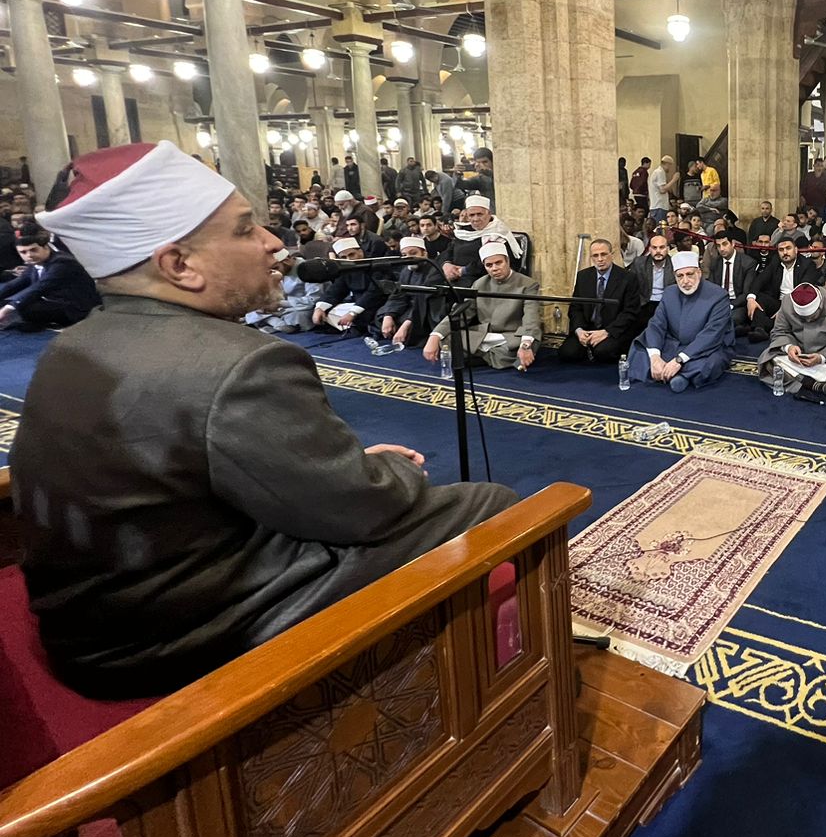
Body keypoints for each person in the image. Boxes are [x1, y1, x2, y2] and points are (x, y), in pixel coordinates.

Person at [11, 140, 513, 695]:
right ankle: (496, 691)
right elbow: (364, 511)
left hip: (95, 627)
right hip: (177, 639)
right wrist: (389, 473)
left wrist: (328, 469)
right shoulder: (242, 363)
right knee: (490, 504)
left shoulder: (71, 344)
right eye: (245, 229)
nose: (273, 242)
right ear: (179, 265)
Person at [422, 242, 540, 371]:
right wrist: (434, 336)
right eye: (489, 265)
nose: (494, 268)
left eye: (498, 263)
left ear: (507, 261)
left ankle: (480, 355)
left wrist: (525, 345)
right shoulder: (479, 284)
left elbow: (531, 318)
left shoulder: (528, 284)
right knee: (446, 338)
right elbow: (462, 313)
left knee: (528, 342)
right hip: (484, 336)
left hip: (510, 337)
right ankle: (494, 356)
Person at [626, 250, 734, 391]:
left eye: (690, 274)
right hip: (674, 343)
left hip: (705, 348)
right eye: (680, 276)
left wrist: (679, 360)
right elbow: (657, 324)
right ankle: (675, 373)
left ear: (699, 273)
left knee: (712, 362)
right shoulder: (669, 292)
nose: (685, 281)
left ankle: (676, 374)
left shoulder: (718, 296)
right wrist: (655, 357)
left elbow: (712, 335)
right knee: (640, 347)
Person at [759, 283, 826, 398]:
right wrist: (788, 347)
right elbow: (779, 331)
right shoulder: (787, 301)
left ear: (820, 305)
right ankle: (813, 384)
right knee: (769, 359)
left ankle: (800, 381)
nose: (808, 320)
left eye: (812, 316)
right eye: (803, 318)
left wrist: (821, 357)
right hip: (798, 358)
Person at [0, 224, 100, 329]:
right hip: (54, 299)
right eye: (23, 252)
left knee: (26, 308)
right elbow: (15, 284)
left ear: (45, 247)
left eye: (33, 250)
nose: (29, 255)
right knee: (9, 302)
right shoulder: (36, 261)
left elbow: (39, 288)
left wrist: (5, 310)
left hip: (76, 306)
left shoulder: (62, 263)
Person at [559, 237, 641, 364]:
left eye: (603, 254)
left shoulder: (628, 278)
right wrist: (579, 331)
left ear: (611, 255)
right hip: (587, 328)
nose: (600, 259)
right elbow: (575, 308)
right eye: (595, 256)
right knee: (567, 353)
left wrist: (606, 332)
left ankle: (593, 351)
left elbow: (630, 312)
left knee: (603, 352)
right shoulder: (583, 276)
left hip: (611, 329)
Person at [747, 237, 820, 340]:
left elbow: (802, 291)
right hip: (778, 301)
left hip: (796, 304)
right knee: (759, 297)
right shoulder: (775, 261)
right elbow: (760, 279)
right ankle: (760, 329)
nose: (785, 252)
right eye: (781, 250)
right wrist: (751, 298)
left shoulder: (808, 265)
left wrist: (785, 309)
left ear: (796, 250)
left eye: (788, 248)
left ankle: (760, 326)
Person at [312, 237, 387, 333]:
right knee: (323, 310)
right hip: (356, 303)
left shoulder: (376, 266)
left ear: (360, 251)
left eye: (352, 254)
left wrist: (353, 312)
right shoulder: (346, 268)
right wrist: (319, 308)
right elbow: (335, 290)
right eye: (344, 257)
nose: (349, 259)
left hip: (375, 303)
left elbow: (374, 293)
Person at [444, 194, 522, 283]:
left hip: (481, 278)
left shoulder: (497, 234)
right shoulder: (463, 231)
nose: (476, 219)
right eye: (472, 215)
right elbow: (449, 249)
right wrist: (446, 264)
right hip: (453, 274)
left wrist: (461, 271)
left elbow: (493, 262)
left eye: (479, 214)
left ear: (489, 214)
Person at [706, 233, 760, 334]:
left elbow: (746, 293)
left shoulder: (748, 263)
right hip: (719, 302)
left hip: (738, 303)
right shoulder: (715, 263)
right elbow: (712, 289)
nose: (721, 249)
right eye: (718, 246)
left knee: (731, 318)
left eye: (724, 244)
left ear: (733, 243)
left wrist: (730, 305)